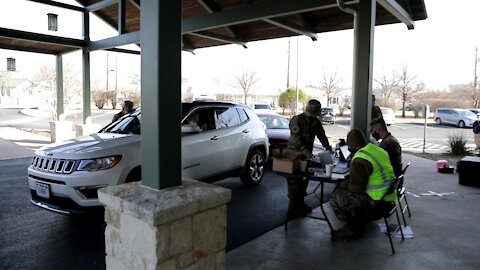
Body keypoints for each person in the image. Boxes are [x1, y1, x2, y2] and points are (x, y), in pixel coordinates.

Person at [329, 128, 396, 239]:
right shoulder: (378, 150)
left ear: (350, 146)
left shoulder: (360, 158)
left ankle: (352, 228)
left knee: (336, 196)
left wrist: (347, 182)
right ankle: (360, 222)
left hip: (376, 204)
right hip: (388, 197)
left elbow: (356, 189)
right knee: (344, 187)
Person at [286, 99, 332, 216]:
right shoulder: (297, 120)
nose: (314, 116)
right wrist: (305, 151)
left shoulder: (315, 121)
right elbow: (296, 139)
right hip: (294, 155)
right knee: (294, 182)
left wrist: (327, 147)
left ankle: (300, 204)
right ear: (308, 110)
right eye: (313, 113)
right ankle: (293, 208)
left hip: (306, 156)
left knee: (304, 180)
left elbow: (321, 134)